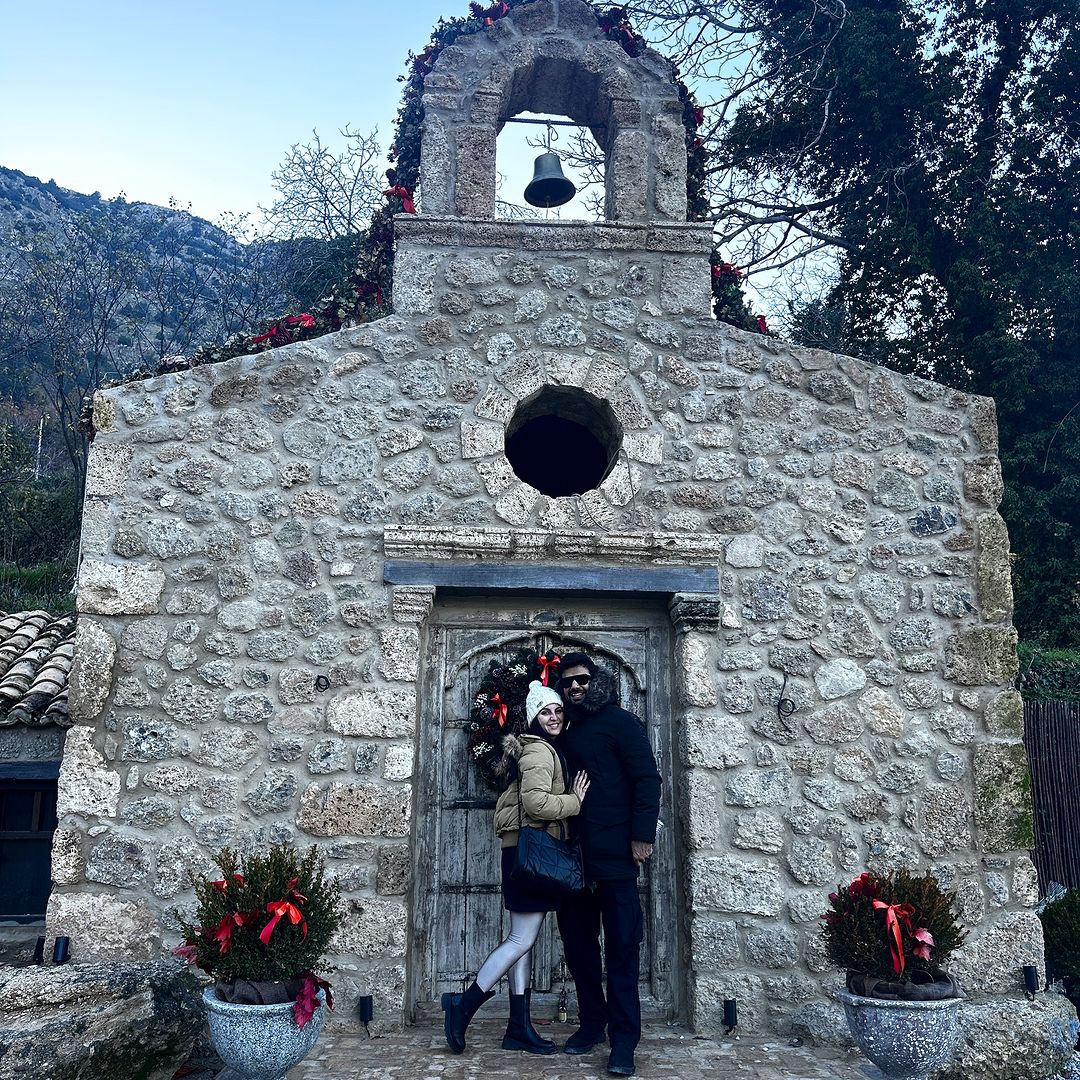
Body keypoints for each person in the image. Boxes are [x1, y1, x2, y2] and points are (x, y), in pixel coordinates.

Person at [442, 679, 590, 1056]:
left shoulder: (540, 748)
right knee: (520, 940)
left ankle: (518, 1027)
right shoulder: (540, 752)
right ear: (533, 717)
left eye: (557, 710)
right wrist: (574, 802)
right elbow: (538, 805)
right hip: (531, 854)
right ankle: (464, 1005)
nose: (553, 716)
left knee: (521, 939)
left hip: (521, 853)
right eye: (545, 712)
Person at [556, 651, 661, 1079]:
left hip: (617, 856)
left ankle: (623, 1041)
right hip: (573, 860)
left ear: (595, 681)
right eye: (567, 683)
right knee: (580, 949)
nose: (575, 687)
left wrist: (642, 834)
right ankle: (592, 1024)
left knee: (621, 949)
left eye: (581, 680)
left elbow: (647, 778)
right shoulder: (561, 728)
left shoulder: (621, 722)